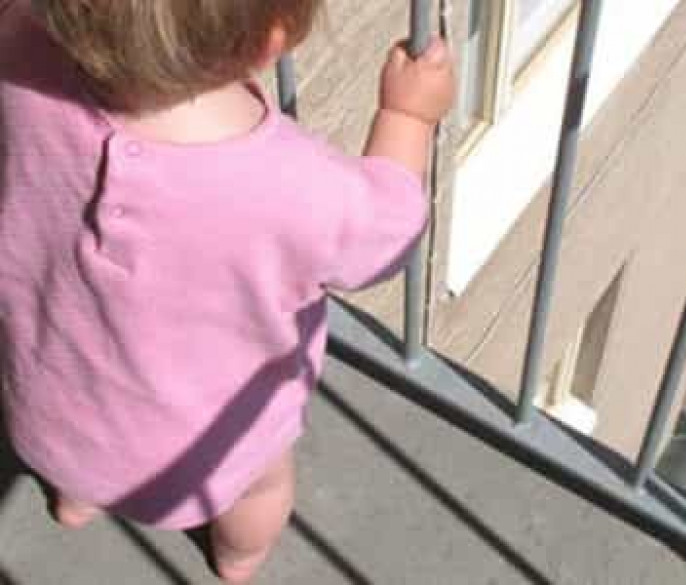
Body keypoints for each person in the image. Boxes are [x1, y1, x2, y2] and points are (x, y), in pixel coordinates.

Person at [0, 1, 456, 582]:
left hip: (47, 410)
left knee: (78, 460)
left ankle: (75, 501)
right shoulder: (292, 187)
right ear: (272, 40)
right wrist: (407, 116)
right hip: (206, 456)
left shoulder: (17, 48)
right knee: (258, 488)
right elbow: (386, 235)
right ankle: (238, 559)